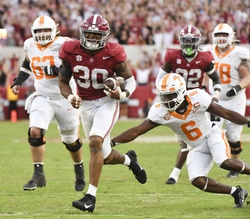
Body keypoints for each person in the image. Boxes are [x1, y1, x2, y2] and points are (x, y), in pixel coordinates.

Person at [111, 73, 250, 208]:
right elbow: (136, 131)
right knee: (197, 181)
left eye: (169, 96)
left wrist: (247, 122)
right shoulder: (160, 111)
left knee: (225, 162)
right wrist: (112, 142)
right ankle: (236, 192)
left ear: (181, 92)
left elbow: (226, 113)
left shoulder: (198, 97)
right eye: (163, 96)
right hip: (195, 146)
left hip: (211, 134)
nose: (165, 100)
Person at [57, 14, 147, 213]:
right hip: (85, 105)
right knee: (104, 156)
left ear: (105, 36)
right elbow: (63, 81)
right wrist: (70, 97)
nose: (91, 39)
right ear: (82, 33)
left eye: (96, 36)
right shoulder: (70, 50)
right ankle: (130, 161)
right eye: (89, 34)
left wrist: (121, 93)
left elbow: (129, 80)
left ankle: (90, 198)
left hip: (107, 102)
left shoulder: (113, 53)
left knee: (95, 142)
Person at [11, 16, 85, 192]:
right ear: (33, 32)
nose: (42, 34)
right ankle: (38, 175)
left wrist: (61, 71)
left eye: (46, 30)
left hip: (66, 97)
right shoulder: (29, 44)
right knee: (35, 130)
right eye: (39, 31)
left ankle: (79, 170)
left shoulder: (65, 44)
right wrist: (18, 81)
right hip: (43, 96)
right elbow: (28, 64)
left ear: (55, 29)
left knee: (71, 141)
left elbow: (80, 64)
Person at [155, 25, 221, 185]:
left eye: (192, 42)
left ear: (198, 42)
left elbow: (216, 80)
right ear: (181, 42)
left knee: (192, 140)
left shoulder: (205, 58)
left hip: (197, 101)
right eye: (186, 41)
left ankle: (175, 174)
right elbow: (160, 79)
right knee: (185, 141)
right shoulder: (172, 56)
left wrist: (215, 98)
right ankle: (178, 173)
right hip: (177, 101)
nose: (189, 45)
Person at [203, 23, 250, 178]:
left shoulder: (239, 53)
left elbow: (247, 76)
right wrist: (203, 89)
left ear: (231, 36)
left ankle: (235, 166)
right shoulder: (209, 51)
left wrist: (237, 87)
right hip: (215, 99)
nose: (221, 38)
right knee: (212, 132)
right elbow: (206, 74)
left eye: (224, 35)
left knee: (234, 135)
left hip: (235, 99)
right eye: (218, 35)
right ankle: (209, 165)